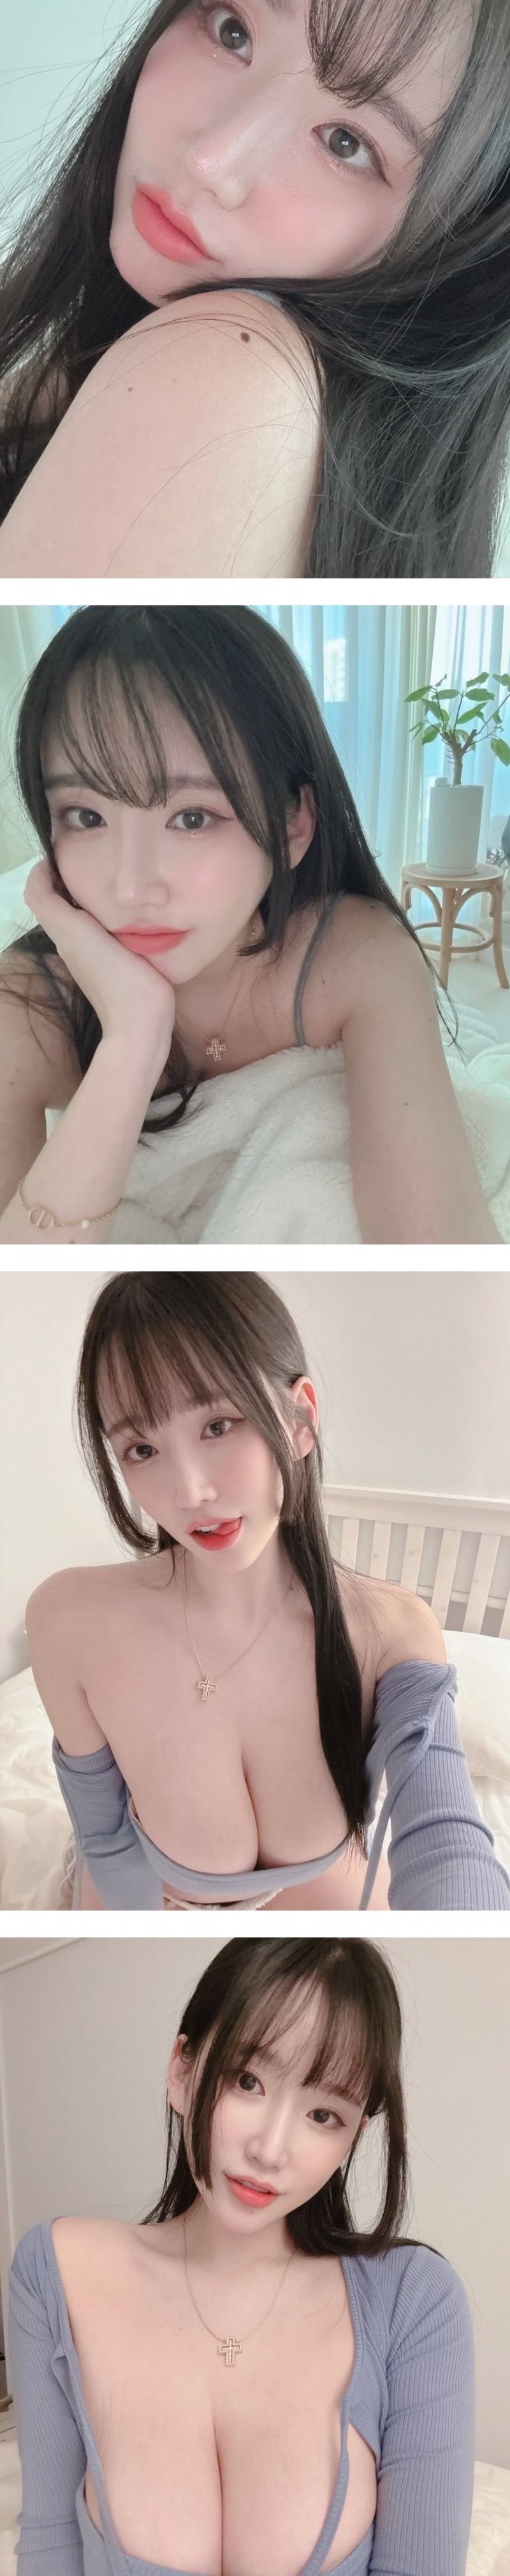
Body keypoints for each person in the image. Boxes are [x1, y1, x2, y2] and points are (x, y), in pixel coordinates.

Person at [1, 0, 510, 580]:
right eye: (232, 31)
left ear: (452, 254)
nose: (211, 162)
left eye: (345, 143)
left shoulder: (221, 368)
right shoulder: (76, 370)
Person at [0, 603, 498, 1249]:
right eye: (86, 816)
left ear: (292, 825)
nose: (130, 888)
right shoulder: (27, 1008)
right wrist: (132, 1038)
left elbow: (439, 1260)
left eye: (192, 817)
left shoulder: (355, 958)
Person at [25, 1268, 510, 1912]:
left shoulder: (389, 1631)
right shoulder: (71, 1621)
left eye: (218, 1425)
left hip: (327, 1894)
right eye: (141, 1448)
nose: (190, 1491)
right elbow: (105, 1840)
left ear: (300, 1419)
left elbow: (448, 1844)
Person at [8, 1935, 476, 2572]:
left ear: (352, 2138)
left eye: (324, 2114)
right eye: (247, 2079)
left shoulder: (413, 2301)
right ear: (181, 2070)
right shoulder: (56, 2272)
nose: (270, 2148)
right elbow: (49, 2546)